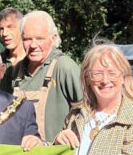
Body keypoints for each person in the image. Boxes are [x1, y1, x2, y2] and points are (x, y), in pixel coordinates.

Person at [5, 10, 82, 143]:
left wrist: (67, 135)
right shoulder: (16, 71)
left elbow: (88, 112)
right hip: (20, 151)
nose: (33, 45)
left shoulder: (65, 67)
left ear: (54, 38)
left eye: (40, 38)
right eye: (27, 39)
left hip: (54, 153)